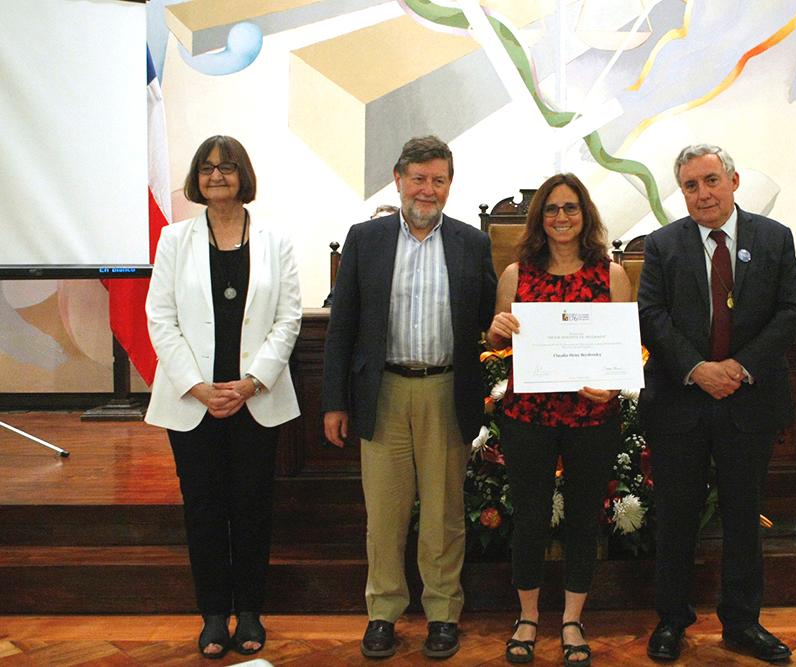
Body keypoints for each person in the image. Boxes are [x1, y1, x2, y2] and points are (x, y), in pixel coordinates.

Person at [322, 135, 497, 660]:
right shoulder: (366, 239)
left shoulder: (472, 243)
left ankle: (443, 613)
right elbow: (343, 326)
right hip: (384, 392)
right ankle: (383, 612)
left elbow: (490, 325)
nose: (428, 189)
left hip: (447, 390)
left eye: (438, 180)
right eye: (418, 178)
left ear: (449, 185)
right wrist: (334, 400)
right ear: (398, 180)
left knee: (444, 513)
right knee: (385, 513)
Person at [638, 144, 796, 663]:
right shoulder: (663, 245)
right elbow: (652, 314)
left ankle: (742, 623)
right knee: (676, 516)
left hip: (748, 401)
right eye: (691, 185)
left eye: (711, 180)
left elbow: (788, 312)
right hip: (679, 403)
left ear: (733, 181)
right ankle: (671, 621)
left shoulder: (774, 238)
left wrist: (738, 368)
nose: (702, 193)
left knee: (742, 515)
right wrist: (697, 369)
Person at [145, 135, 302, 659]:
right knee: (205, 510)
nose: (217, 176)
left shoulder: (276, 241)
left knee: (254, 508)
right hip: (194, 402)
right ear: (197, 178)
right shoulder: (174, 240)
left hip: (255, 400)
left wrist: (253, 380)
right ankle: (214, 617)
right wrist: (197, 386)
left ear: (243, 175)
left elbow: (288, 319)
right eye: (208, 168)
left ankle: (252, 615)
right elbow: (160, 319)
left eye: (227, 167)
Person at [487, 173, 631, 667]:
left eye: (571, 208)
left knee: (583, 518)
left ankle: (572, 619)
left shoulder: (611, 275)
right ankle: (527, 617)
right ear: (539, 218)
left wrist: (612, 382)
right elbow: (497, 344)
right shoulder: (516, 275)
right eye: (552, 209)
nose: (562, 217)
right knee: (529, 516)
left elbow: (627, 347)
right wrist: (496, 329)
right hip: (529, 414)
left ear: (585, 215)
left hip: (593, 415)